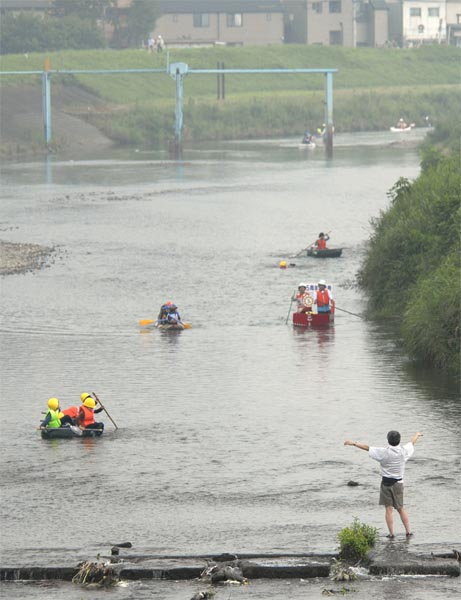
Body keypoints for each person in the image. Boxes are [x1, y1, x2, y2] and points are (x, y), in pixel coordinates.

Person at [344, 431, 423, 538]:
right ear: (399, 440)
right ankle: (408, 532)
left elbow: (367, 448)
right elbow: (412, 443)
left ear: (388, 440)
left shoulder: (383, 452)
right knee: (400, 508)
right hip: (398, 484)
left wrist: (353, 443)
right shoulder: (404, 451)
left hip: (386, 484)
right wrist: (416, 435)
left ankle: (391, 534)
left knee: (388, 510)